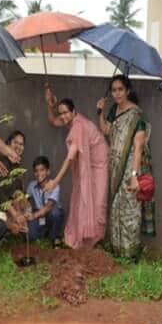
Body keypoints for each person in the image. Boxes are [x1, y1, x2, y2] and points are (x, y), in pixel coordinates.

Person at [97, 75, 154, 259]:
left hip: (130, 167)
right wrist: (101, 112)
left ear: (127, 90)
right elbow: (106, 131)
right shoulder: (114, 110)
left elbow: (138, 147)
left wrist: (134, 175)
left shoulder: (136, 115)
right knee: (116, 208)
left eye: (120, 89)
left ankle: (131, 253)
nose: (117, 93)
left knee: (129, 208)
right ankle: (117, 249)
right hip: (114, 166)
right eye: (113, 90)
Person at [43, 90, 108, 249]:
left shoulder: (78, 127)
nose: (63, 116)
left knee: (98, 203)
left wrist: (55, 181)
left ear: (74, 111)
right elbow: (52, 121)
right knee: (82, 199)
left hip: (100, 164)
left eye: (66, 112)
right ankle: (83, 238)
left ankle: (95, 240)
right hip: (88, 164)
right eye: (61, 113)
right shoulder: (70, 121)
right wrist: (49, 104)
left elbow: (70, 158)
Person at [25, 156, 65, 245]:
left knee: (56, 212)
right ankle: (44, 232)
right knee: (31, 235)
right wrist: (27, 211)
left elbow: (48, 207)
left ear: (48, 171)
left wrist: (33, 216)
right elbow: (26, 200)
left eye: (42, 170)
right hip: (40, 216)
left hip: (50, 215)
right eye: (36, 171)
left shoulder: (55, 186)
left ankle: (54, 237)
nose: (39, 173)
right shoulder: (31, 185)